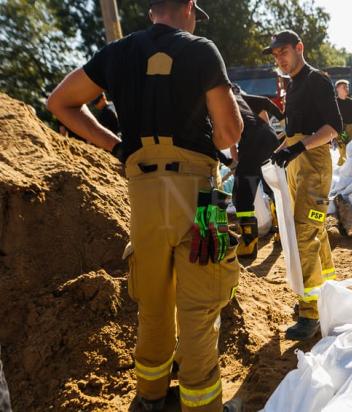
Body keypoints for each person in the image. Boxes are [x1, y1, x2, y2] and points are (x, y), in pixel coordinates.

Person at [46, 1, 245, 411]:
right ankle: (201, 404)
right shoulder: (201, 49)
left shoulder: (117, 53)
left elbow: (60, 102)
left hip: (143, 194)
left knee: (153, 304)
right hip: (198, 195)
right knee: (199, 306)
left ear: (153, 8)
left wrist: (116, 146)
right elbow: (227, 135)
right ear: (189, 6)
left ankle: (150, 397)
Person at [265, 30, 342, 340]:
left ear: (300, 47)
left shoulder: (316, 81)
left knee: (304, 232)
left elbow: (333, 128)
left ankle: (310, 313)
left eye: (283, 52)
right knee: (315, 232)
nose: (280, 59)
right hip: (299, 166)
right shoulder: (292, 86)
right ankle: (327, 294)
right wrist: (283, 147)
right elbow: (295, 130)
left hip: (315, 166)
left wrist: (298, 147)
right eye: (275, 56)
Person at [230, 84, 282, 261]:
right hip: (269, 138)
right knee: (271, 187)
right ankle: (281, 231)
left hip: (252, 143)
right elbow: (266, 103)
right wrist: (284, 124)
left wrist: (233, 152)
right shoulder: (245, 99)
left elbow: (227, 127)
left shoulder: (225, 98)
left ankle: (248, 242)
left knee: (241, 194)